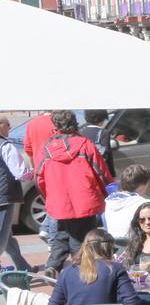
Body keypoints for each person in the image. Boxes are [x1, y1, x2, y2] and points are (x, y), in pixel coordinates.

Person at [35, 110, 113, 274]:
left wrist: (49, 197)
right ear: (75, 123)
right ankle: (82, 272)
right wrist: (109, 193)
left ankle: (53, 265)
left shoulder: (46, 149)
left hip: (60, 201)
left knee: (62, 234)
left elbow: (38, 178)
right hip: (85, 199)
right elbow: (101, 173)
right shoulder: (85, 144)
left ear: (55, 125)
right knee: (82, 239)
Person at [0, 115, 34, 272]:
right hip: (4, 197)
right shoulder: (5, 146)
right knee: (2, 236)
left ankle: (22, 266)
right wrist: (33, 173)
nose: (10, 127)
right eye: (8, 124)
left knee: (7, 237)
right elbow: (20, 173)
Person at [104, 164, 150, 240]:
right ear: (143, 185)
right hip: (138, 248)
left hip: (115, 248)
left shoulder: (109, 202)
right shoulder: (145, 204)